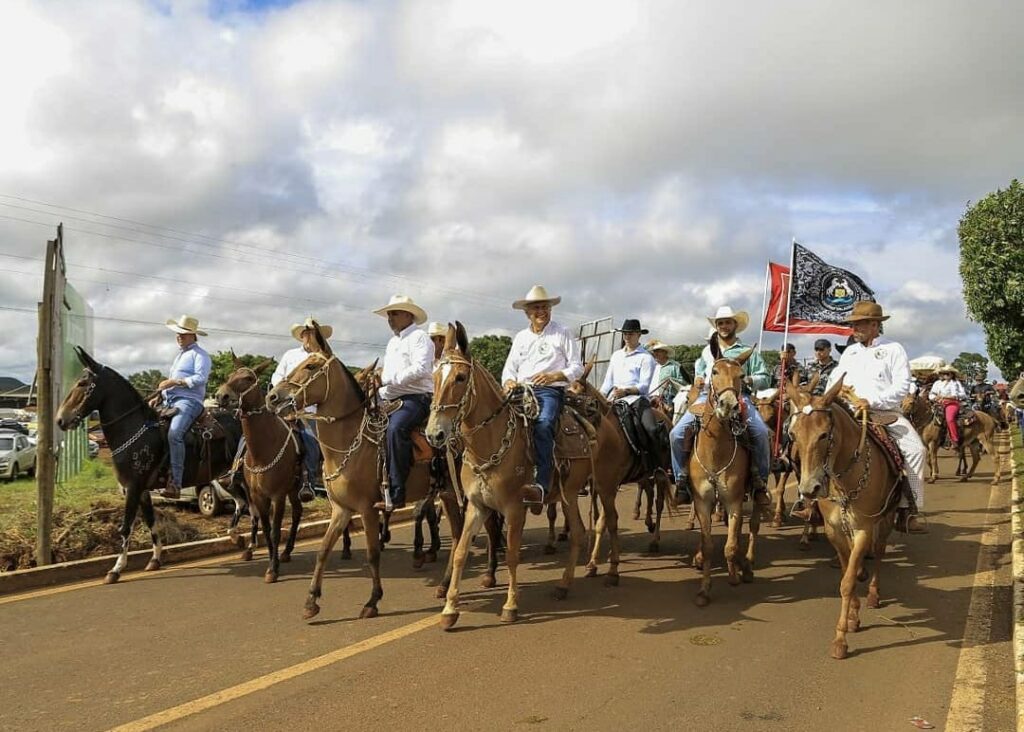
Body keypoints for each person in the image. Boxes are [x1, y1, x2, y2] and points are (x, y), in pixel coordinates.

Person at [825, 301, 928, 533]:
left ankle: (907, 510)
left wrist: (871, 401)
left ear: (875, 325)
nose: (854, 329)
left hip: (884, 413)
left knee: (916, 450)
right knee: (813, 441)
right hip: (847, 412)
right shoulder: (850, 352)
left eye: (859, 324)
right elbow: (834, 381)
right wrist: (825, 398)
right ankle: (811, 501)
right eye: (853, 324)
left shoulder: (894, 349)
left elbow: (902, 386)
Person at [670, 305, 772, 506]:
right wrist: (698, 379)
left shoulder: (746, 352)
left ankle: (760, 483)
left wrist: (749, 380)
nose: (724, 326)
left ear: (735, 325)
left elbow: (765, 378)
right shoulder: (707, 352)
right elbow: (699, 371)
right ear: (716, 326)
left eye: (728, 322)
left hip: (739, 397)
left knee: (760, 432)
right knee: (676, 434)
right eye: (720, 323)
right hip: (706, 398)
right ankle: (681, 479)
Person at [501, 285, 583, 514]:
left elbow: (577, 367)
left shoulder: (562, 332)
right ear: (527, 312)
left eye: (544, 307)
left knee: (544, 424)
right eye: (536, 307)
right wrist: (508, 381)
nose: (541, 311)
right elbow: (509, 369)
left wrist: (556, 375)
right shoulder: (520, 338)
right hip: (520, 391)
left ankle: (541, 483)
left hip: (549, 390)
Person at [372, 295, 434, 511]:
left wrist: (389, 379)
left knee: (396, 429)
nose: (390, 318)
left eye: (394, 313)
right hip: (388, 397)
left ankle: (397, 492)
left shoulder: (420, 337)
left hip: (416, 398)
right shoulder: (392, 342)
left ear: (408, 314)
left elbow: (422, 369)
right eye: (389, 314)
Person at [267, 317, 334, 502]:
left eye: (312, 333)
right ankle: (237, 469)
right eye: (306, 333)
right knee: (254, 431)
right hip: (284, 406)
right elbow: (277, 377)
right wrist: (284, 393)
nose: (308, 336)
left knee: (311, 440)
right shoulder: (290, 355)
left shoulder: (325, 359)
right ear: (301, 336)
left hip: (310, 410)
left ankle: (308, 482)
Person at [601, 320, 667, 480]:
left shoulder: (646, 357)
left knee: (651, 429)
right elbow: (608, 382)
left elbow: (644, 386)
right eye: (625, 333)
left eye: (630, 333)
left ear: (639, 335)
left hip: (636, 400)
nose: (627, 336)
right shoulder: (616, 355)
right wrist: (600, 396)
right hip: (614, 400)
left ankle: (658, 467)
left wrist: (626, 391)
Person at [155, 315, 212, 499]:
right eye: (177, 333)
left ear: (193, 335)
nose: (178, 336)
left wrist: (175, 381)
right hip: (169, 401)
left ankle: (176, 483)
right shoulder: (180, 355)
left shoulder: (200, 355)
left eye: (183, 334)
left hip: (190, 401)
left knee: (175, 433)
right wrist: (159, 396)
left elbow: (200, 378)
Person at [929, 365, 966, 449]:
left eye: (947, 373)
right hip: (938, 403)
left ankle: (954, 439)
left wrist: (944, 397)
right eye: (943, 373)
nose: (945, 375)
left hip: (951, 404)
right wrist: (935, 398)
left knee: (950, 419)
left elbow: (959, 395)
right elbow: (931, 394)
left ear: (952, 374)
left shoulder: (955, 383)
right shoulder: (937, 383)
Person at [648, 340, 684, 409]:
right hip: (649, 399)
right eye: (654, 351)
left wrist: (672, 381)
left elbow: (684, 384)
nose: (655, 353)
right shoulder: (651, 366)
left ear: (665, 352)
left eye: (658, 351)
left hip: (668, 400)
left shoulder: (675, 366)